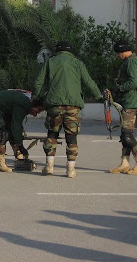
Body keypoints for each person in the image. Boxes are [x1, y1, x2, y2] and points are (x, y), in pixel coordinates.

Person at [33, 41, 102, 178]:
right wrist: (99, 95)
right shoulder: (77, 63)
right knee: (71, 136)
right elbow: (89, 81)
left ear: (57, 50)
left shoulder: (50, 62)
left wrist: (36, 97)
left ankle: (49, 166)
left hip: (54, 105)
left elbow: (38, 81)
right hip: (73, 105)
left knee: (52, 134)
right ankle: (71, 169)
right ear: (70, 51)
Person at [109, 39, 137, 175]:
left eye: (118, 52)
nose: (117, 55)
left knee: (127, 134)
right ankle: (124, 163)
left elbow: (134, 81)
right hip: (128, 101)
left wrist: (120, 88)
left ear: (122, 50)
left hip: (131, 101)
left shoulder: (131, 61)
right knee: (124, 133)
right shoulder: (131, 61)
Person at [0, 89, 44, 172]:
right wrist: (21, 146)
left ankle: (18, 158)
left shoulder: (28, 102)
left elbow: (16, 128)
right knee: (4, 132)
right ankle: (1, 163)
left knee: (14, 131)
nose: (36, 114)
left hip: (6, 109)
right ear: (33, 106)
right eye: (38, 110)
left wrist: (19, 142)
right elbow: (16, 125)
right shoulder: (24, 104)